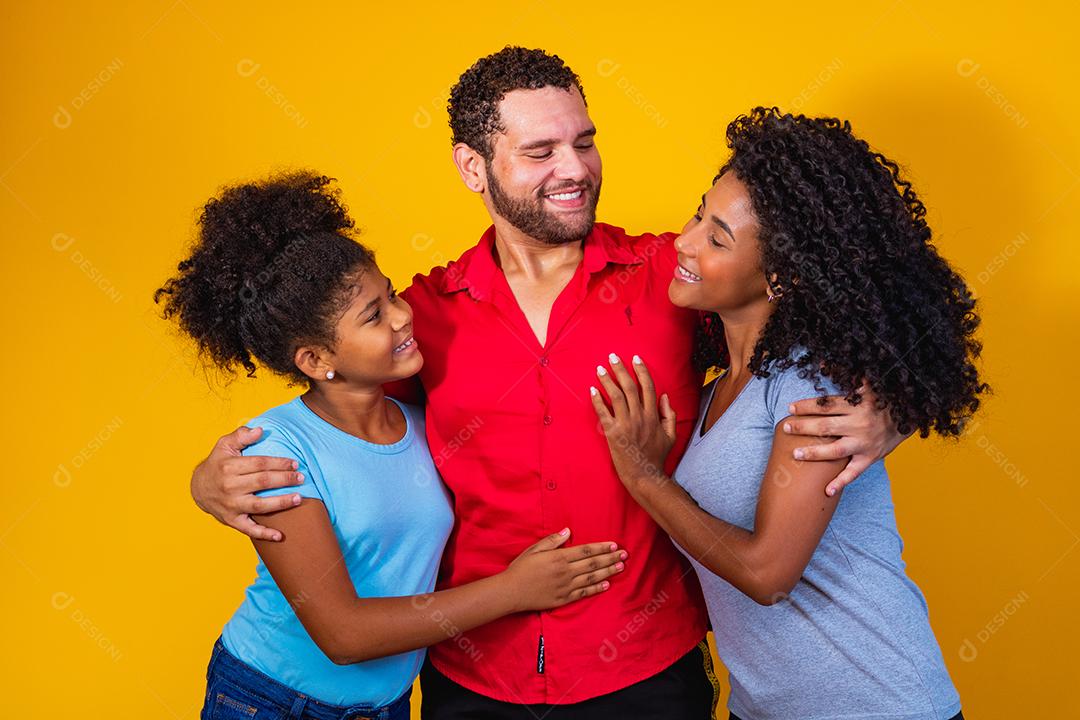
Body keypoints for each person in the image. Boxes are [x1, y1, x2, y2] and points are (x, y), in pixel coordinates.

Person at [189, 49, 908, 719]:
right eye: (540, 152)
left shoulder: (677, 279)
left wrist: (892, 409)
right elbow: (339, 427)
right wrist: (207, 480)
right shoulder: (421, 318)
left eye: (584, 142)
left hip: (644, 670)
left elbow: (842, 306)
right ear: (473, 168)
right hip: (472, 677)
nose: (575, 169)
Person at [156, 171, 627, 720]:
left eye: (392, 294)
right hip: (271, 702)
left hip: (388, 705)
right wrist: (515, 590)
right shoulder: (279, 453)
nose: (404, 316)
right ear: (315, 361)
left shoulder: (422, 421)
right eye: (374, 315)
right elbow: (343, 634)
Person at [590, 108, 985, 720]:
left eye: (717, 238)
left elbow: (767, 573)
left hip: (874, 701)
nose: (684, 242)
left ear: (781, 277)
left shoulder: (810, 383)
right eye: (698, 214)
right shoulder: (725, 380)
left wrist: (643, 476)